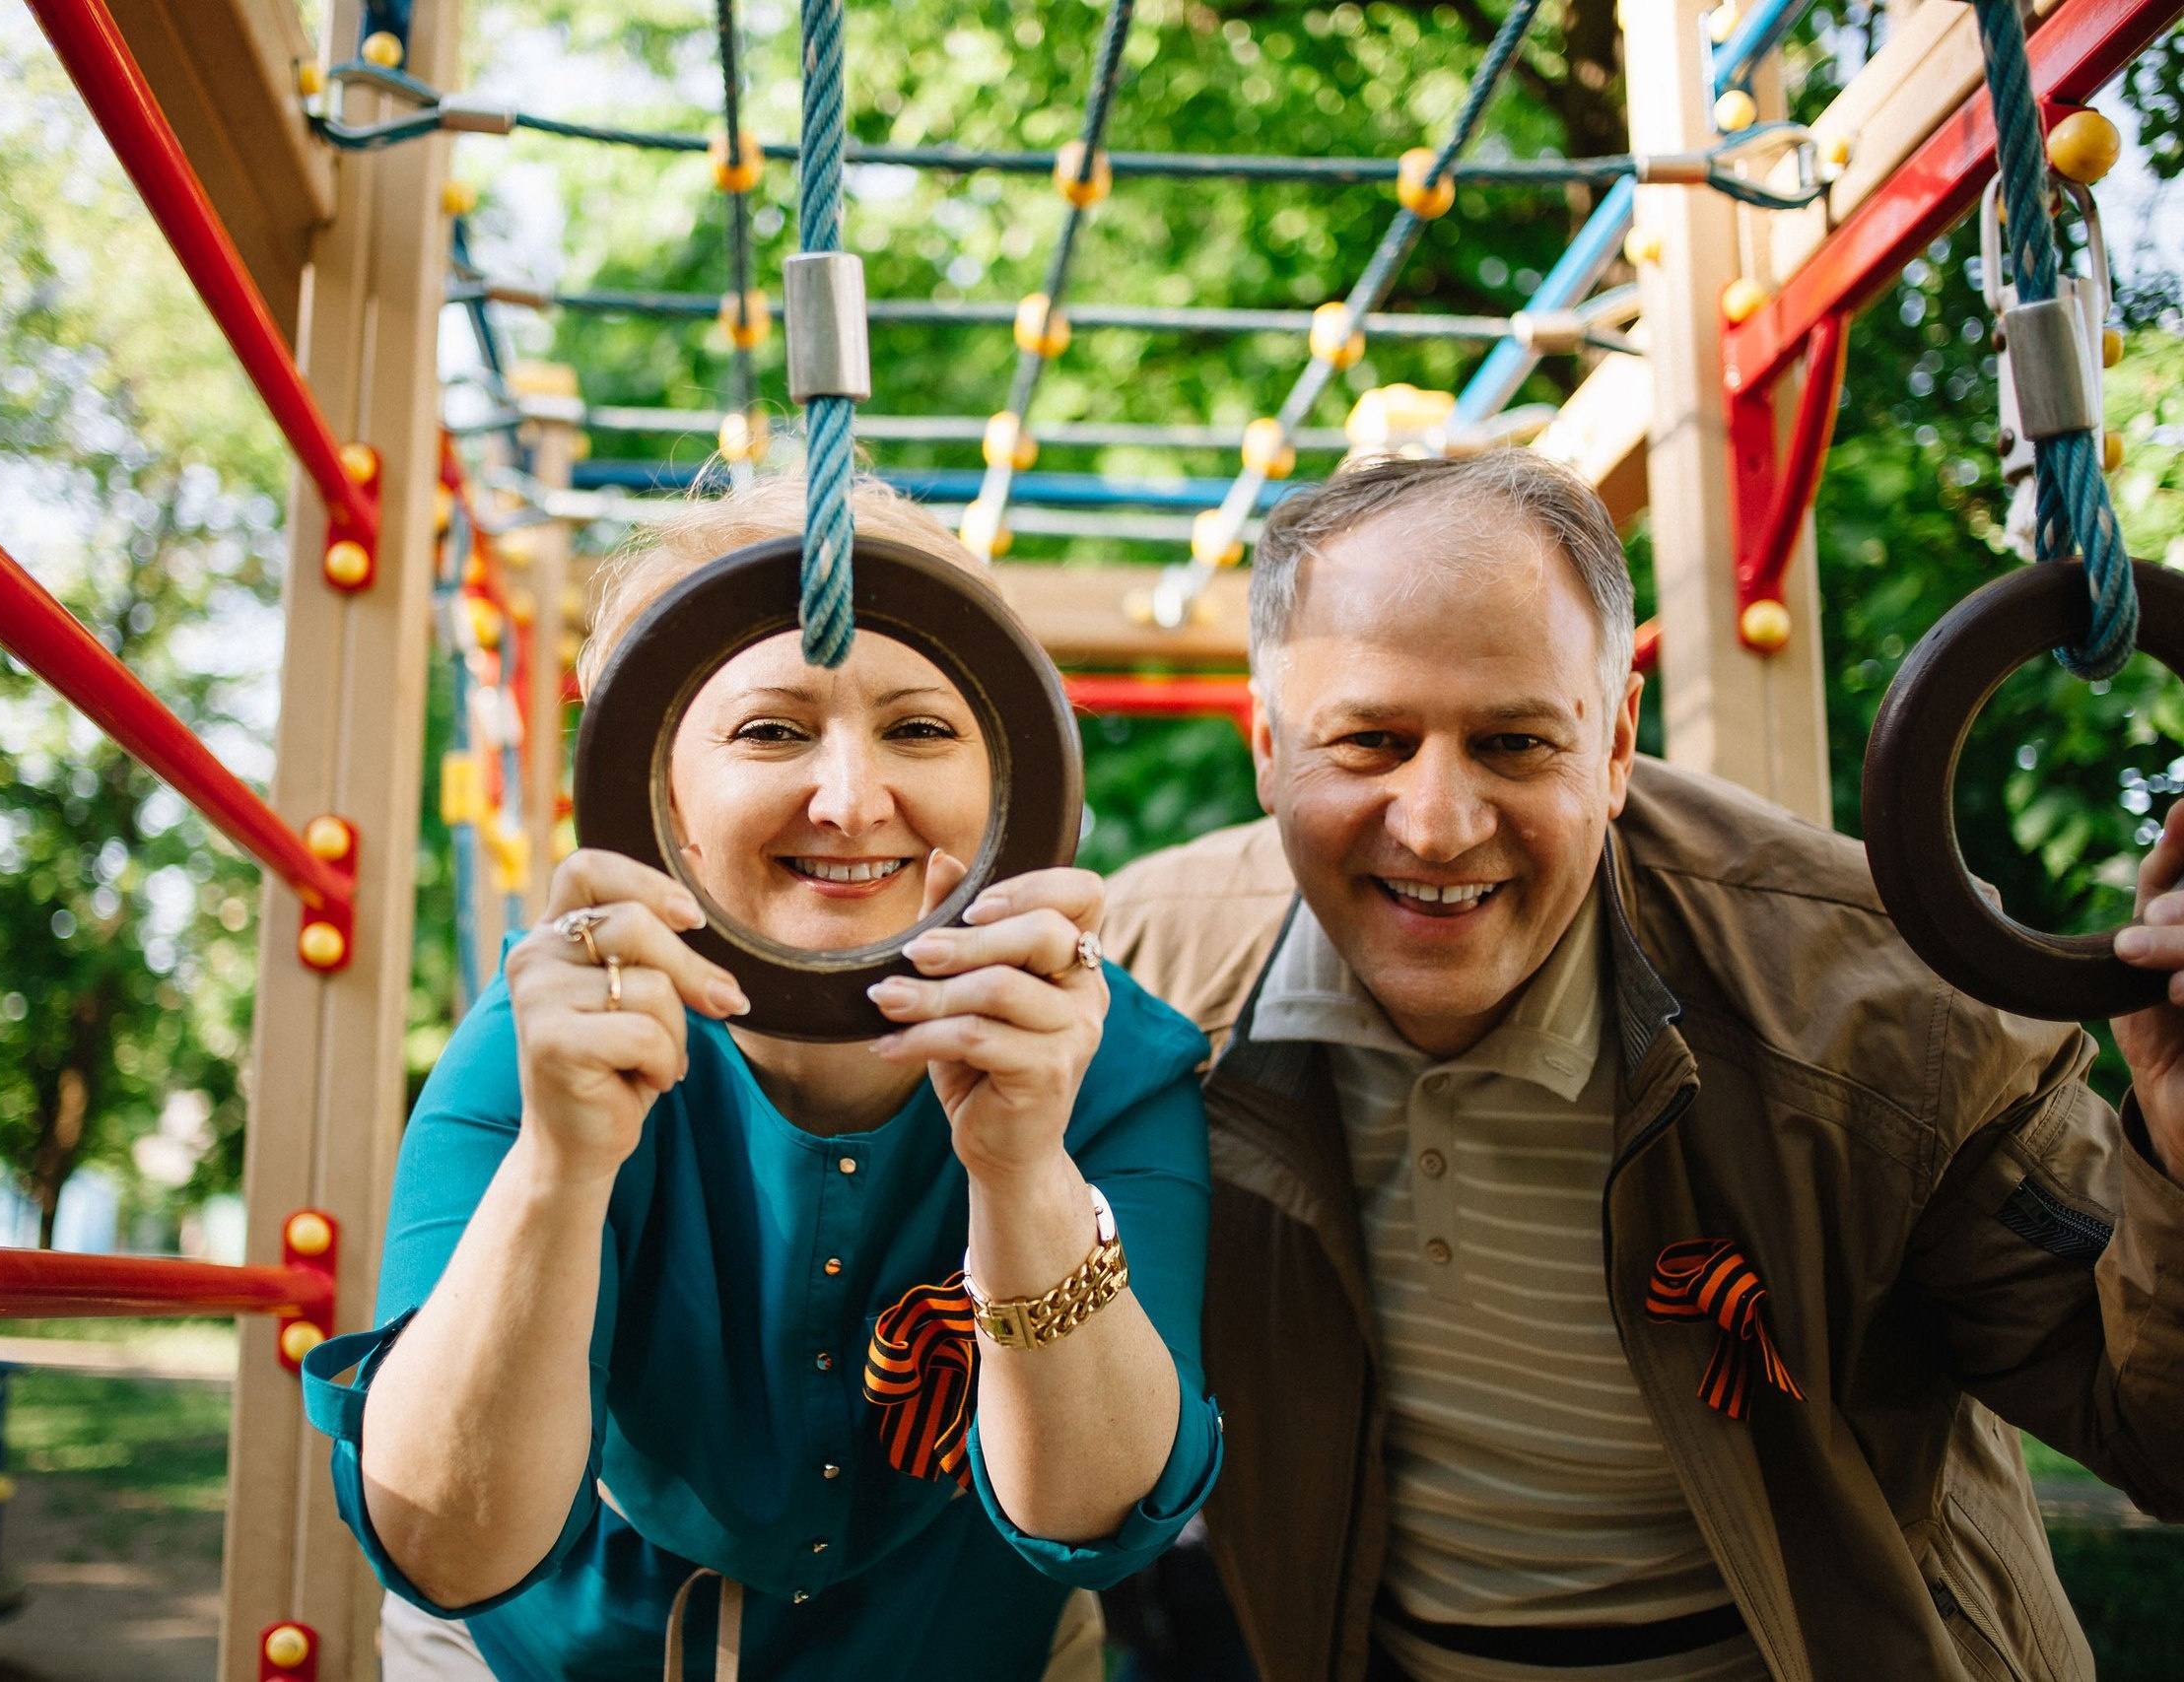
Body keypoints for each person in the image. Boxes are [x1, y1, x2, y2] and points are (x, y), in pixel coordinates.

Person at [1102, 449, 2184, 1682]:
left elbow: (2156, 1440)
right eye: (1369, 741)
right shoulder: (1143, 989)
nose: (1438, 824)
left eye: (1514, 742)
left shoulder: (1885, 1006)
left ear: (1614, 745)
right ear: (1268, 743)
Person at [303, 473, 1222, 1682]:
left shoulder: (1111, 1061)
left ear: (1005, 776)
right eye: (771, 731)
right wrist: (562, 1166)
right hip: (551, 1654)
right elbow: (444, 1547)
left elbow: (1097, 1518)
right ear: (660, 794)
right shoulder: (549, 1038)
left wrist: (1023, 1172)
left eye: (919, 729)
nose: (850, 802)